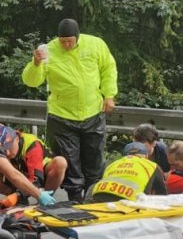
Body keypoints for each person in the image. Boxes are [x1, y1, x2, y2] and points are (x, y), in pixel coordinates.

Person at [22, 18, 118, 202]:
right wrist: (35, 63)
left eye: (70, 41)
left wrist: (109, 95)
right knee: (70, 160)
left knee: (94, 158)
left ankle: (92, 197)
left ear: (77, 37)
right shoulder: (48, 50)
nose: (66, 44)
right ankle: (75, 198)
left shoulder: (95, 44)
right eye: (62, 41)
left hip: (92, 112)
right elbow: (32, 81)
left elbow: (109, 69)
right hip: (62, 116)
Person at [0, 122, 68, 208]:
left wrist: (18, 195)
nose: (7, 152)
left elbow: (36, 180)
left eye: (9, 146)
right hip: (19, 178)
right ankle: (20, 202)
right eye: (3, 149)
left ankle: (45, 201)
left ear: (17, 139)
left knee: (60, 163)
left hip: (39, 177)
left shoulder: (32, 144)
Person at [86, 142, 166, 202]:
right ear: (146, 156)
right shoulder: (152, 165)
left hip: (99, 197)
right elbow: (163, 195)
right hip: (128, 202)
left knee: (93, 186)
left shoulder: (112, 164)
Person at [132, 123, 183, 194]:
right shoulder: (131, 149)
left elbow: (173, 171)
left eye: (143, 145)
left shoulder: (164, 151)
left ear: (153, 144)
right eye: (135, 143)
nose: (138, 148)